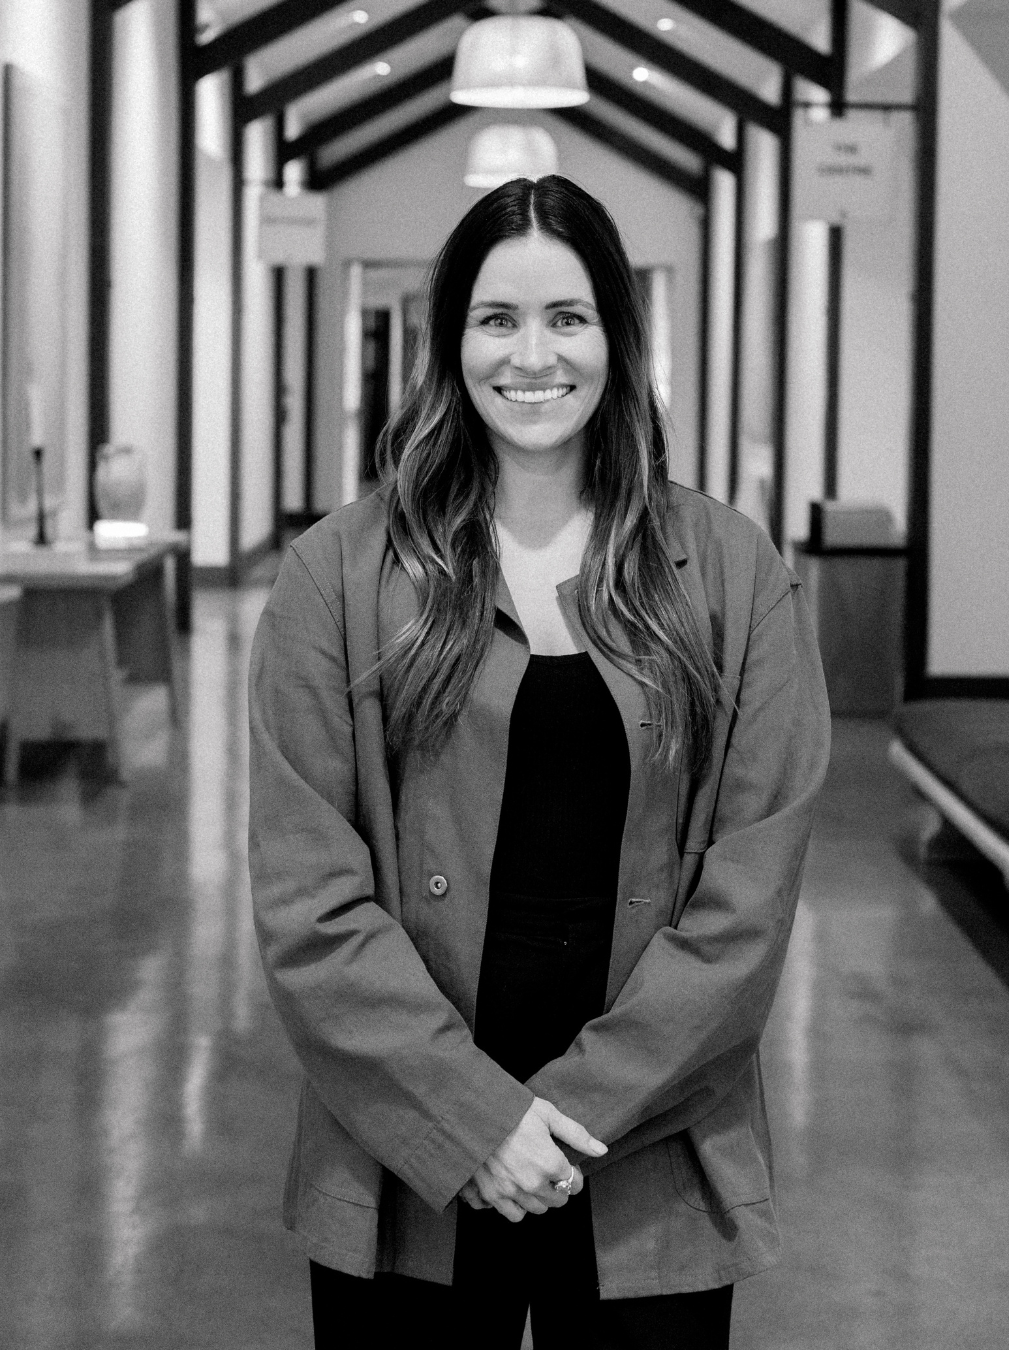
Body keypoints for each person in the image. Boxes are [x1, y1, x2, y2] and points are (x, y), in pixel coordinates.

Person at [248, 175, 830, 1350]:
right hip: (405, 1148)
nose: (532, 356)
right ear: (451, 340)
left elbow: (749, 898)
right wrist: (474, 1123)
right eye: (496, 319)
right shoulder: (338, 575)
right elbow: (310, 900)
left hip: (649, 1147)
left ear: (618, 336)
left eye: (568, 317)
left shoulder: (731, 572)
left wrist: (561, 1118)